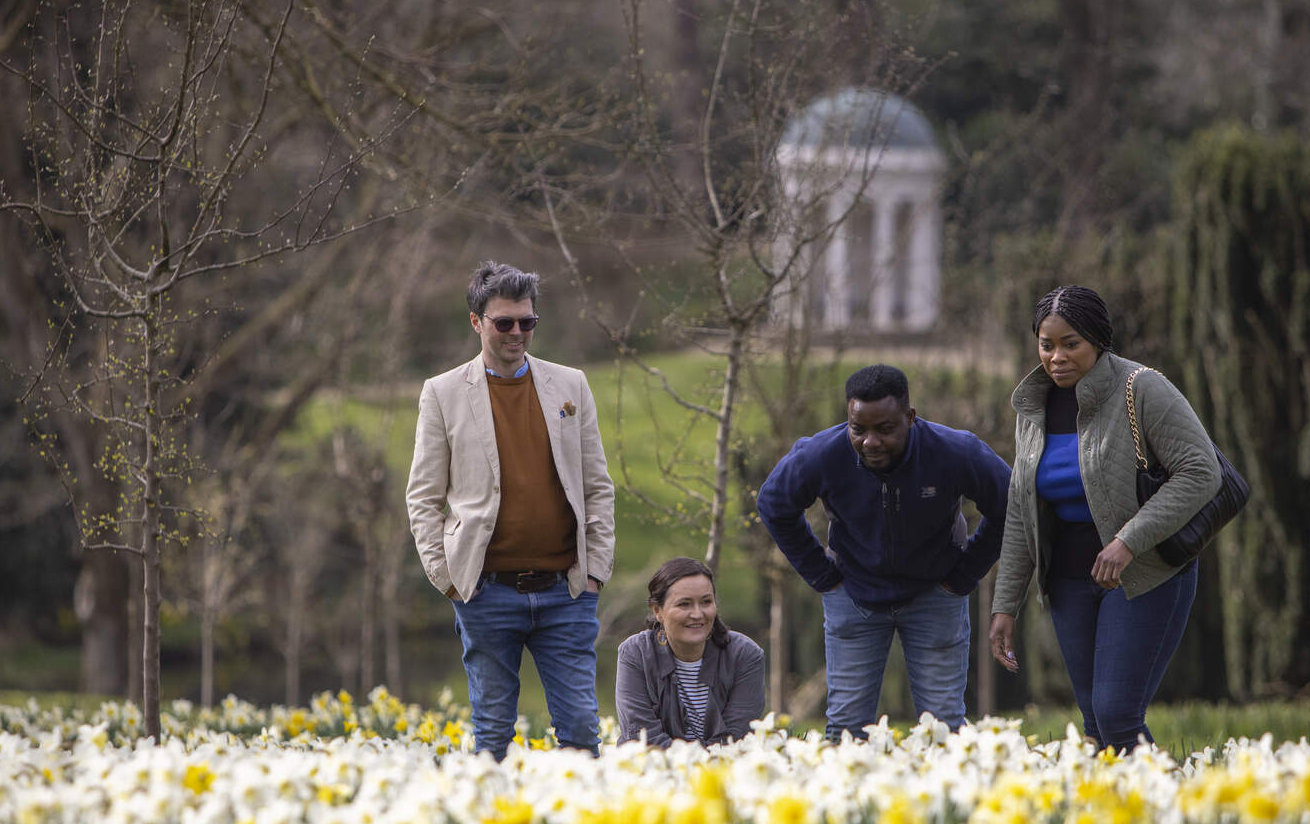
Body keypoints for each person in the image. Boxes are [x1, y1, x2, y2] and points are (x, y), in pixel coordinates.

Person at [986, 285, 1219, 753]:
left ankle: (1175, 809)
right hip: (1070, 582)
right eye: (1046, 344)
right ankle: (1128, 818)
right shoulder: (1032, 407)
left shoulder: (1142, 388)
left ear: (1098, 339)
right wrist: (1004, 605)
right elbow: (1020, 509)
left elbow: (1201, 471)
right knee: (1096, 724)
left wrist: (1128, 540)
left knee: (1116, 714)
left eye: (1071, 344)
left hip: (1144, 573)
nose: (1056, 357)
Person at [405, 260, 615, 761]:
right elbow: (423, 497)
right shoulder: (443, 393)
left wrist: (595, 575)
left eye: (528, 322)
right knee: (493, 737)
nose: (518, 332)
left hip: (567, 592)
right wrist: (449, 578)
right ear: (477, 322)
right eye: (505, 323)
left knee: (583, 736)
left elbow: (596, 485)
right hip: (485, 592)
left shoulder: (571, 385)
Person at [757, 364, 1011, 743]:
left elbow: (1011, 503)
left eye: (885, 429)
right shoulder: (822, 454)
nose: (870, 442)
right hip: (854, 597)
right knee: (845, 732)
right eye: (858, 429)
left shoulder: (955, 452)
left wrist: (963, 575)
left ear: (910, 417)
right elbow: (773, 504)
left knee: (944, 730)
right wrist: (823, 577)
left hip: (934, 596)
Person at [615, 557, 766, 746]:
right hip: (652, 770)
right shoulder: (635, 654)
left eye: (706, 602)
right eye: (684, 604)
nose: (697, 614)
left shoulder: (745, 656)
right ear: (657, 611)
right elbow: (641, 737)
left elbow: (735, 739)